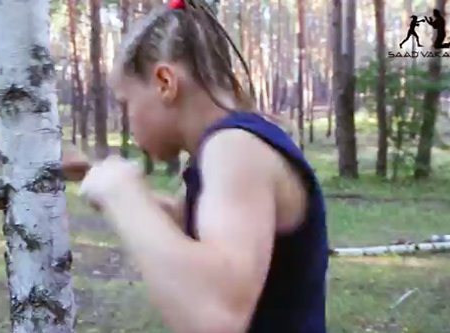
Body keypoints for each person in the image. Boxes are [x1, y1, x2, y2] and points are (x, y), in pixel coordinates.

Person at [61, 0, 327, 332]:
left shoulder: (234, 148)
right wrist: (94, 175)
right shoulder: (234, 144)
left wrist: (122, 193)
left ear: (165, 83)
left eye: (125, 103)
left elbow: (217, 317)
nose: (127, 120)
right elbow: (190, 219)